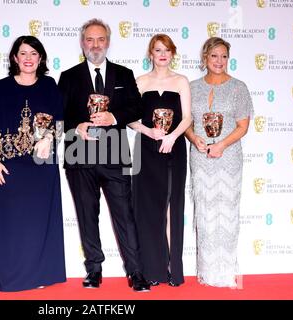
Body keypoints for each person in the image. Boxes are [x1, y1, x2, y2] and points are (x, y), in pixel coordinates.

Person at [58, 18, 150, 292]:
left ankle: (136, 273)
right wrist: (79, 125)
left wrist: (113, 116)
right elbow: (60, 116)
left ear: (108, 42)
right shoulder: (69, 76)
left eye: (100, 39)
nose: (95, 45)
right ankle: (94, 270)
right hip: (79, 154)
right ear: (82, 42)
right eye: (90, 39)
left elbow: (136, 109)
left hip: (116, 155)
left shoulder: (123, 74)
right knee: (87, 216)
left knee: (126, 216)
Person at [0, 35, 66, 292]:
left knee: (42, 221)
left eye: (33, 53)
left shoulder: (50, 85)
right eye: (23, 53)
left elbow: (61, 120)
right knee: (13, 222)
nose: (28, 58)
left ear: (41, 58)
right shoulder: (2, 87)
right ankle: (13, 278)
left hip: (42, 165)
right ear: (14, 58)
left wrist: (51, 137)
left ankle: (41, 275)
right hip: (11, 166)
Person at [185, 37, 253, 288]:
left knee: (227, 212)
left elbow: (243, 125)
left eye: (224, 56)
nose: (219, 61)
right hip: (201, 157)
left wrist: (221, 145)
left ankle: (226, 272)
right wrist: (195, 139)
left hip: (228, 157)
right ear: (205, 58)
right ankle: (206, 272)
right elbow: (187, 123)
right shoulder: (191, 87)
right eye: (214, 55)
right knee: (204, 212)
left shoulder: (239, 87)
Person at [128, 34, 191, 287]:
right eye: (157, 50)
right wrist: (149, 131)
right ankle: (152, 269)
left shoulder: (181, 81)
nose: (162, 54)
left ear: (172, 53)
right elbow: (129, 118)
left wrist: (173, 137)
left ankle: (172, 269)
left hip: (174, 149)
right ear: (150, 54)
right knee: (147, 208)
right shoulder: (140, 82)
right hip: (146, 148)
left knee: (171, 206)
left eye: (167, 50)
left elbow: (187, 117)